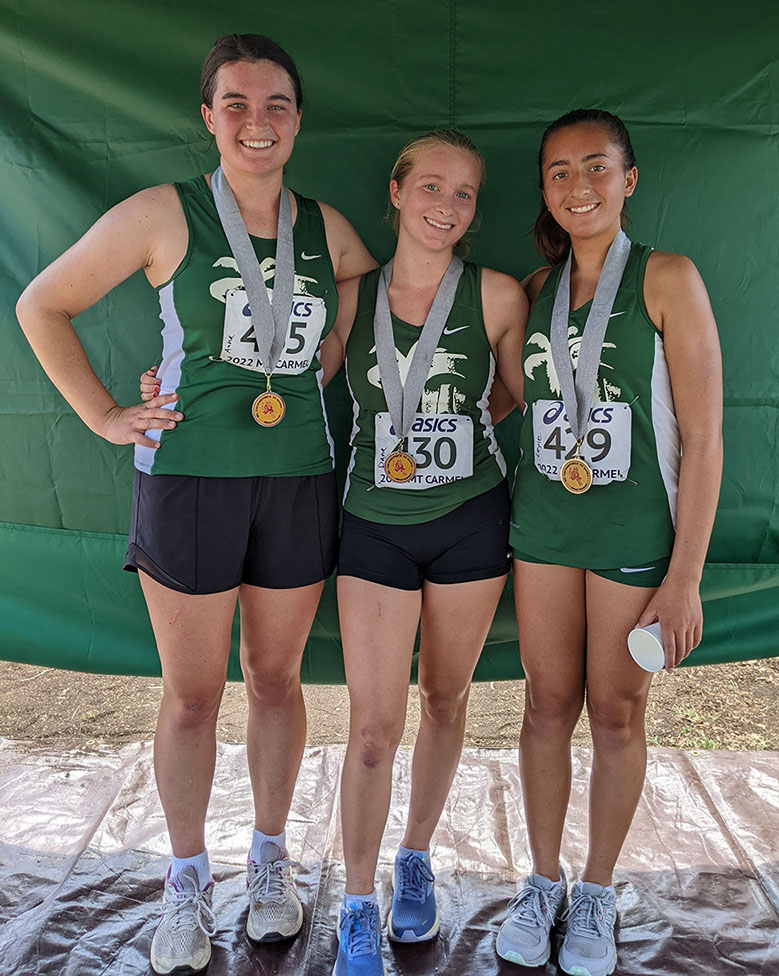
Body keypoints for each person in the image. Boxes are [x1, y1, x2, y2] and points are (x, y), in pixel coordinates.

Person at [16, 33, 375, 976]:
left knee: (275, 681)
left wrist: (328, 353)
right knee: (192, 696)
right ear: (209, 117)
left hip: (297, 476)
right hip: (186, 482)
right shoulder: (161, 213)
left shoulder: (325, 227)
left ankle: (269, 863)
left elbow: (361, 279)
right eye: (237, 104)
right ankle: (184, 881)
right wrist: (106, 415)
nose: (258, 122)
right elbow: (41, 305)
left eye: (276, 105)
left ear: (297, 119)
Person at [496, 109, 723, 976]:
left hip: (633, 533)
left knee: (617, 712)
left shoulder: (668, 277)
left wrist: (685, 576)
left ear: (628, 180)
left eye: (596, 167)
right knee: (546, 706)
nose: (578, 185)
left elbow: (705, 438)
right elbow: (502, 400)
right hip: (544, 529)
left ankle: (595, 890)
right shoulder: (534, 288)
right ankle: (542, 881)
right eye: (559, 171)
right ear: (544, 190)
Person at [321, 130, 528, 976]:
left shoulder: (498, 295)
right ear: (398, 193)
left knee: (444, 700)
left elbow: (520, 392)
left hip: (471, 519)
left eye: (464, 193)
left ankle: (415, 858)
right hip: (373, 522)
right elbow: (295, 377)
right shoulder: (350, 296)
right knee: (373, 731)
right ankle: (356, 904)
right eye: (431, 187)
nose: (447, 205)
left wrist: (454, 431)